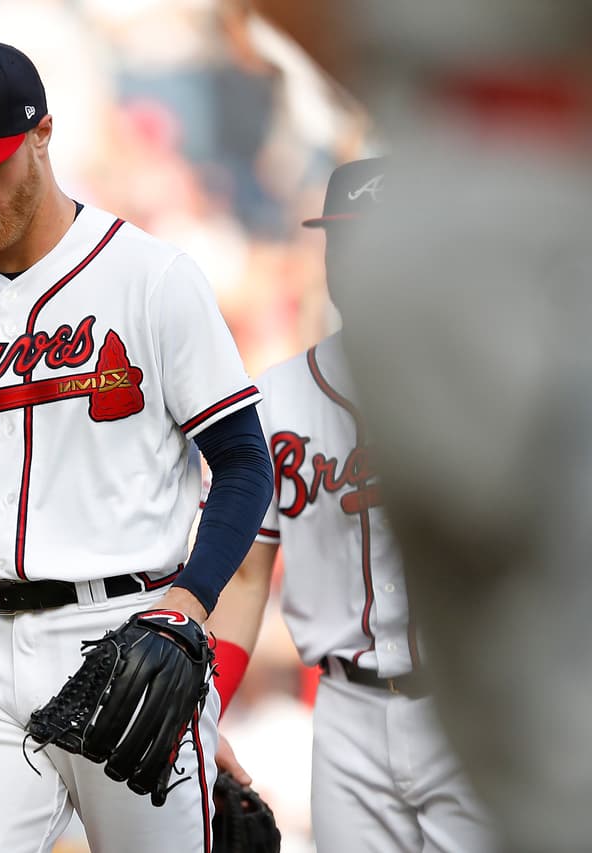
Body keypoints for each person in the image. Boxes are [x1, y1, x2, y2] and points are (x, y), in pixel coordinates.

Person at [0, 40, 274, 852]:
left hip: (127, 639)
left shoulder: (151, 278)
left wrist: (188, 604)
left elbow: (244, 463)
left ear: (43, 135)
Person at [206, 157, 496, 852]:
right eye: (343, 241)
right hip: (345, 716)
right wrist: (206, 704)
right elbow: (249, 573)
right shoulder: (277, 396)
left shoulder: (485, 375)